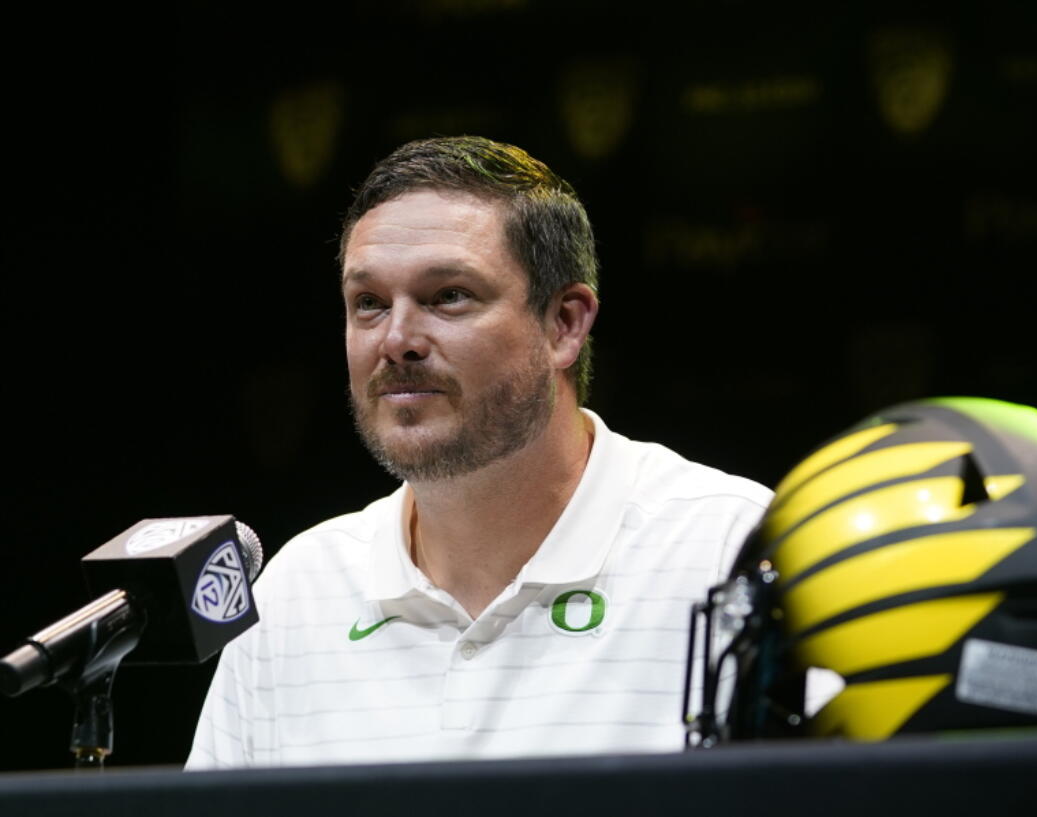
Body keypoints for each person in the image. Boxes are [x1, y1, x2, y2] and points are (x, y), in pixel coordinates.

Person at [186, 136, 772, 768]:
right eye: (370, 304)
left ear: (564, 324)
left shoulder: (729, 547)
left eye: (448, 296)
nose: (398, 339)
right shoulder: (297, 593)